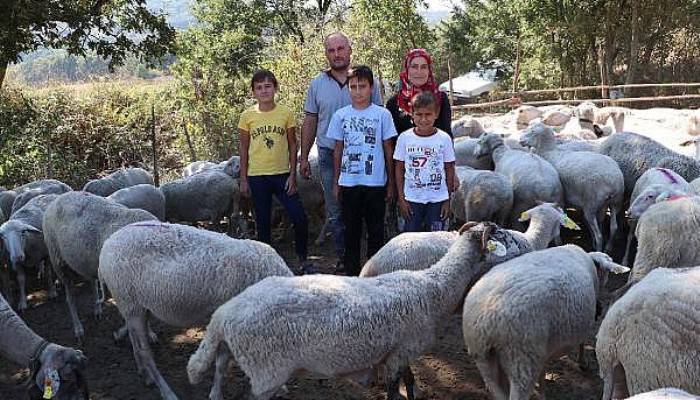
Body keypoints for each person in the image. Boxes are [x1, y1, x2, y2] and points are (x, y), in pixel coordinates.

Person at [300, 32, 382, 272]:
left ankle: (371, 262)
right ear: (326, 54)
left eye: (340, 49)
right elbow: (310, 120)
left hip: (364, 156)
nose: (336, 54)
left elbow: (377, 118)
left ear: (349, 50)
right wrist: (304, 157)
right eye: (331, 50)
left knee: (366, 209)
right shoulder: (317, 84)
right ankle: (345, 261)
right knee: (336, 209)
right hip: (328, 154)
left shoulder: (365, 79)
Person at [238, 69, 313, 272]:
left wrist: (292, 176)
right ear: (253, 92)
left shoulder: (285, 113)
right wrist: (243, 179)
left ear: (275, 88)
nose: (264, 91)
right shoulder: (247, 116)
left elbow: (292, 145)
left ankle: (303, 259)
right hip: (257, 176)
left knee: (299, 217)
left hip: (281, 175)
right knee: (262, 222)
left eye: (268, 86)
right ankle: (265, 265)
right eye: (259, 88)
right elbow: (243, 149)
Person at [328, 65, 397, 276]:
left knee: (376, 231)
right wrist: (336, 181)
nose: (358, 91)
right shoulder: (341, 115)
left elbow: (387, 148)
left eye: (362, 86)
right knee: (351, 231)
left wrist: (391, 183)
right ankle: (352, 274)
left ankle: (374, 275)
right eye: (353, 86)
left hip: (375, 183)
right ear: (348, 88)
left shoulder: (382, 115)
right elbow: (338, 149)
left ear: (371, 87)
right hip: (349, 183)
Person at [394, 91, 456, 232]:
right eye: (419, 114)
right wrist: (402, 199)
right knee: (410, 238)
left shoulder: (444, 138)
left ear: (436, 114)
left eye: (428, 114)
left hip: (437, 199)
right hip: (412, 198)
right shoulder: (404, 138)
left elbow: (449, 168)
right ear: (412, 113)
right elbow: (399, 168)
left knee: (436, 238)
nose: (423, 119)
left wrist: (447, 200)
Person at [386, 48, 452, 136]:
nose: (419, 71)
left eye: (424, 67)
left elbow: (446, 134)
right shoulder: (394, 103)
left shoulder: (441, 98)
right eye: (414, 67)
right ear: (407, 70)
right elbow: (392, 139)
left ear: (429, 71)